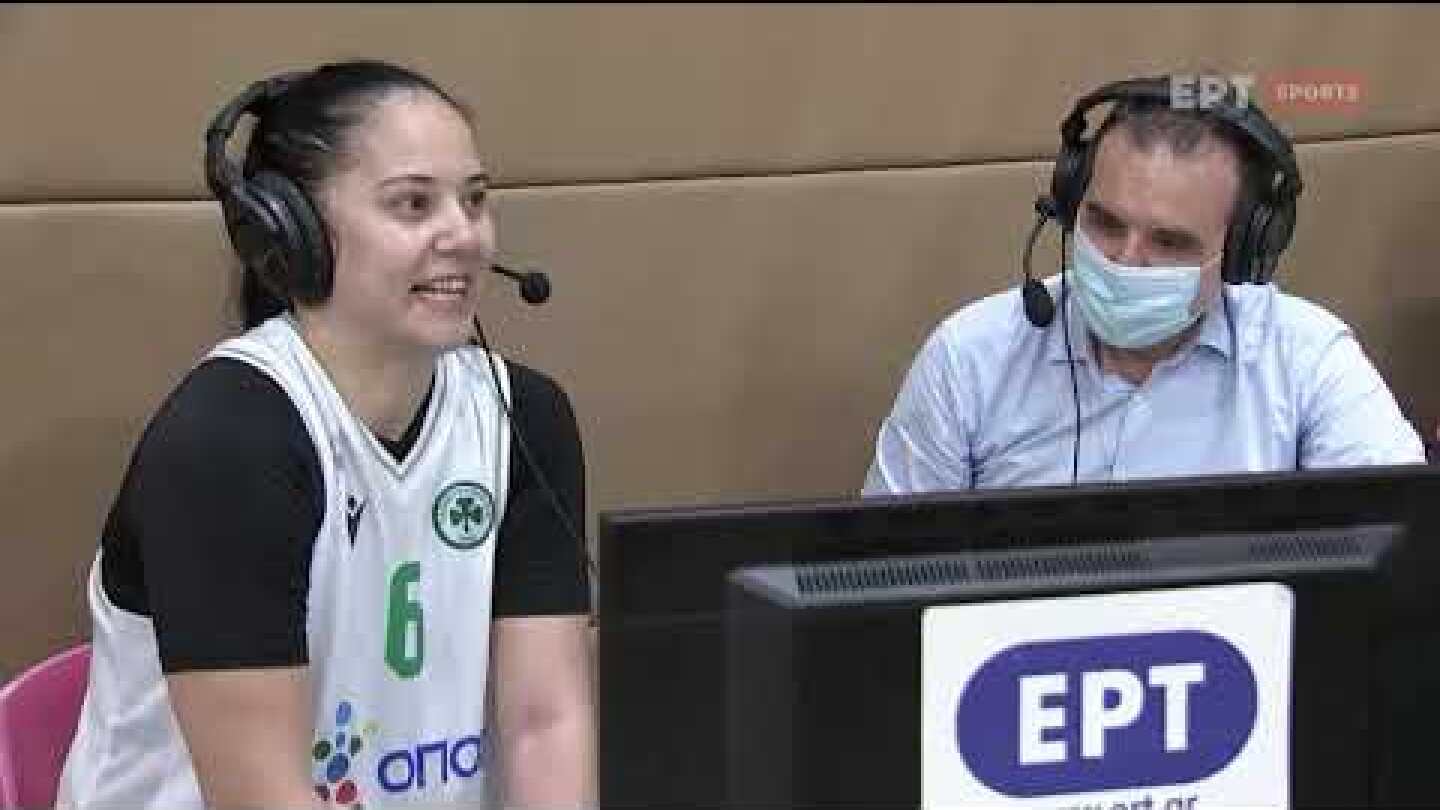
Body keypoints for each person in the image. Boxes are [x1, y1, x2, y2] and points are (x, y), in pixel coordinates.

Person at [57, 60, 596, 809]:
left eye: (474, 200)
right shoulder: (227, 441)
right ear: (293, 231)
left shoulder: (524, 418)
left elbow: (545, 724)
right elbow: (259, 796)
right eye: (413, 204)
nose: (464, 235)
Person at [864, 75, 1424, 495]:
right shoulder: (971, 358)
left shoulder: (1306, 361)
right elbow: (886, 573)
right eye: (1105, 223)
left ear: (1238, 254)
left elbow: (1404, 557)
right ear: (1071, 206)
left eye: (1170, 242)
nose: (1126, 260)